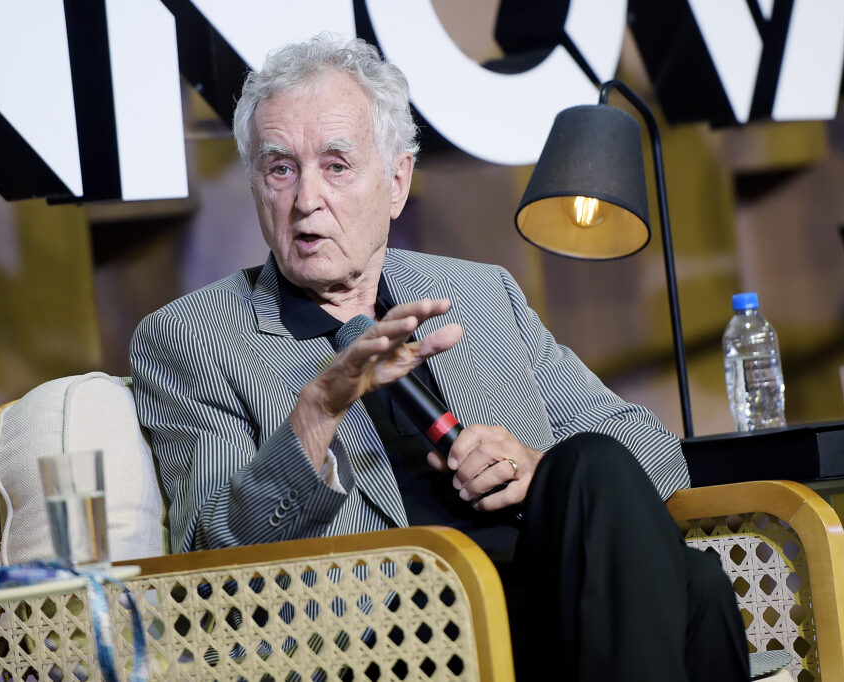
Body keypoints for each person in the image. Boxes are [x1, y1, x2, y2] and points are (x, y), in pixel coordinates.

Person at [130, 32, 750, 681]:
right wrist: (316, 414)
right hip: (392, 644)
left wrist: (539, 472)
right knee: (697, 587)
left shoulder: (480, 294)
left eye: (336, 166)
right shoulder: (193, 338)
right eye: (281, 169)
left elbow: (654, 453)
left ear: (397, 182)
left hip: (541, 604)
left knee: (608, 484)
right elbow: (214, 567)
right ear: (257, 183)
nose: (306, 199)